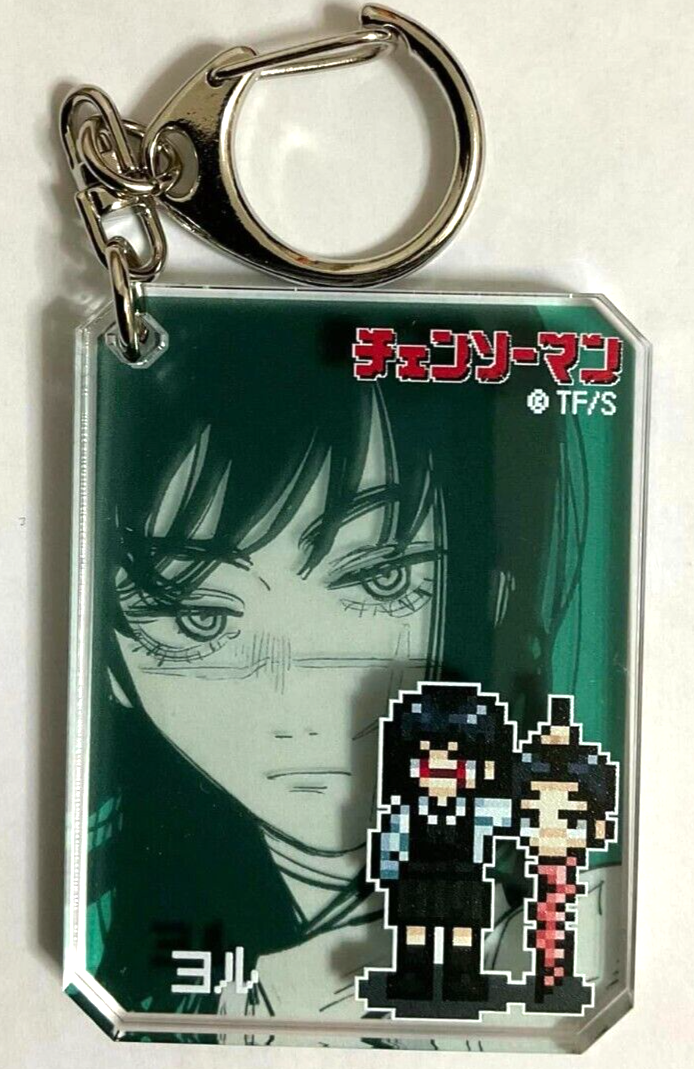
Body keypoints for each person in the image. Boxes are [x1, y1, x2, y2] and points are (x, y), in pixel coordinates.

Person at [85, 296, 584, 1040]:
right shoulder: (130, 968)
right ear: (113, 664)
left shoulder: (575, 919)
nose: (304, 707)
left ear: (490, 591)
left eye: (381, 579)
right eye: (200, 619)